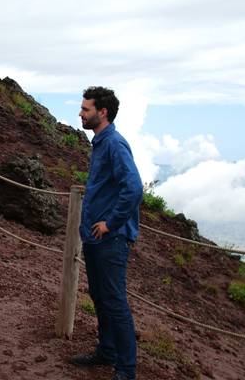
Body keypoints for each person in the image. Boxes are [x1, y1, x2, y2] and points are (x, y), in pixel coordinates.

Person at [68, 86, 143, 380]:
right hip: (96, 237)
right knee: (100, 296)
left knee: (114, 300)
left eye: (86, 109)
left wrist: (111, 223)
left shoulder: (114, 143)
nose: (80, 113)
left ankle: (126, 370)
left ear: (103, 112)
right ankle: (107, 351)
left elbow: (134, 188)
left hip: (111, 238)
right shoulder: (101, 142)